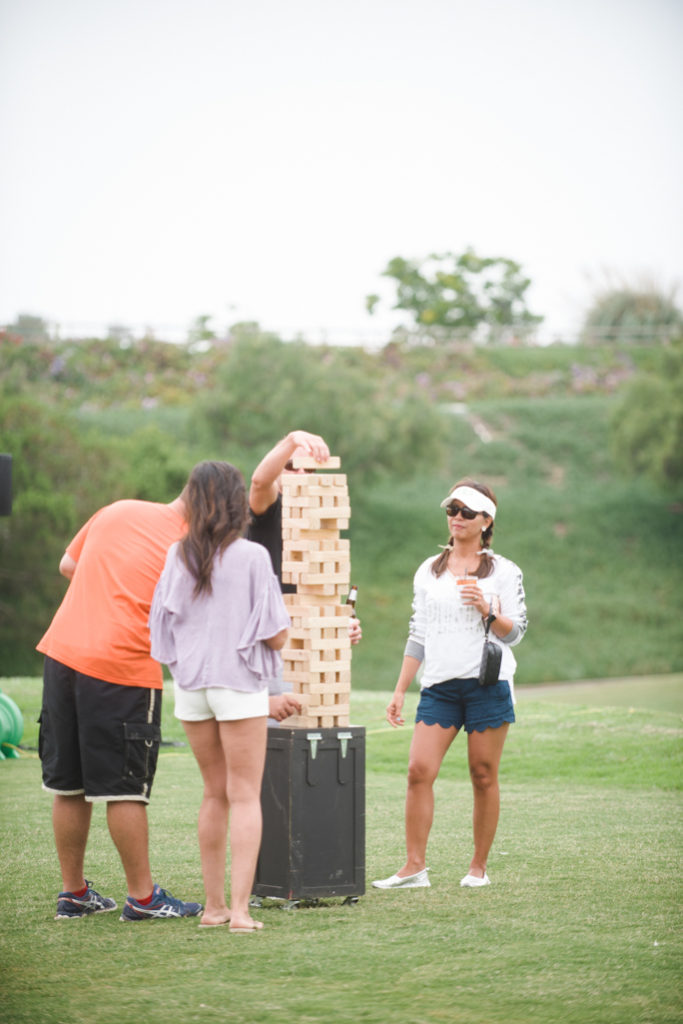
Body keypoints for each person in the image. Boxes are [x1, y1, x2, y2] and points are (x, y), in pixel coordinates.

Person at [37, 489, 203, 921]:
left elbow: (68, 565)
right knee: (124, 787)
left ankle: (73, 894)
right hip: (121, 666)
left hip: (62, 655)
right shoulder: (191, 547)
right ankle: (144, 899)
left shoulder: (119, 509)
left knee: (70, 785)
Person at [149, 461, 290, 932]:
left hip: (192, 687)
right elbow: (275, 637)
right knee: (245, 796)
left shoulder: (176, 555)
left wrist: (184, 662)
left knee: (214, 794)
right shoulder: (251, 556)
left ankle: (213, 909)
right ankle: (241, 912)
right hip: (239, 685)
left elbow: (161, 626)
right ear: (234, 503)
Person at [372, 479, 527, 891]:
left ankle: (478, 868)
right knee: (418, 770)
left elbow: (516, 634)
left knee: (482, 774)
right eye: (451, 510)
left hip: (487, 685)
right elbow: (418, 633)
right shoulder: (429, 570)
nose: (456, 518)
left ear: (486, 520)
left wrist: (488, 611)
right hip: (439, 686)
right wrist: (400, 689)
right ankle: (413, 868)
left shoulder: (505, 571)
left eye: (466, 512)